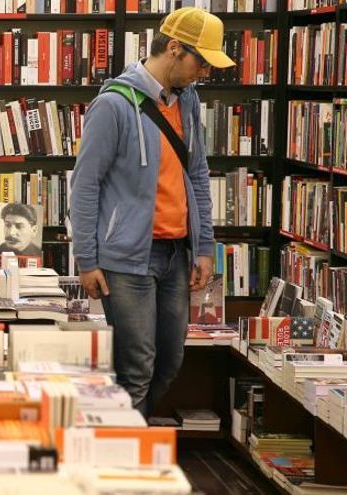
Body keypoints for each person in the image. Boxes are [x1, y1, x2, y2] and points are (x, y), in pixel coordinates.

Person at [69, 7, 232, 417]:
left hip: (177, 254)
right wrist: (86, 259)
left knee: (170, 361)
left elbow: (197, 173)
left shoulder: (188, 101)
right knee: (136, 367)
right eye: (202, 62)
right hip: (126, 260)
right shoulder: (113, 105)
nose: (205, 73)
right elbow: (85, 185)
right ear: (175, 48)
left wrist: (205, 247)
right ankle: (127, 466)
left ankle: (124, 438)